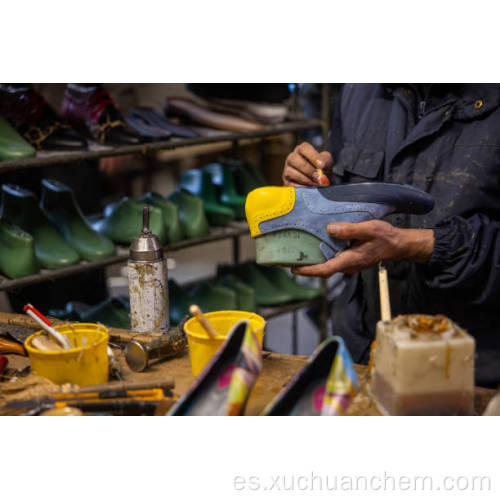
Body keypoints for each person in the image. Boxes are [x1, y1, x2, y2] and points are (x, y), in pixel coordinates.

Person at [284, 84, 500, 387]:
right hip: (362, 349)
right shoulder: (360, 90)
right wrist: (310, 192)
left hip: (469, 371)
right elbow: (337, 198)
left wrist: (418, 245)